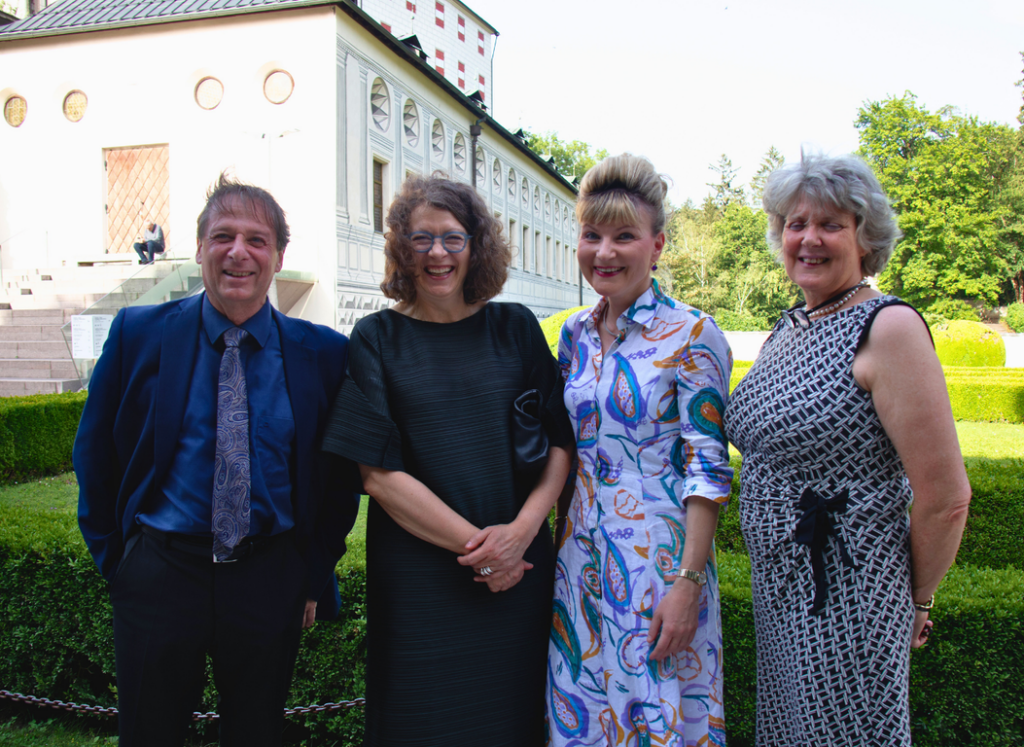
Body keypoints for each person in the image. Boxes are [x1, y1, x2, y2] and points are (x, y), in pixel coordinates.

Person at [74, 174, 358, 747]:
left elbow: (339, 476)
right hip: (160, 570)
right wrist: (120, 562)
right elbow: (95, 451)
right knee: (149, 733)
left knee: (255, 734)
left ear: (279, 256)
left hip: (268, 574)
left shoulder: (323, 353)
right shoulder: (139, 334)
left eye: (257, 240)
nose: (239, 252)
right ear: (200, 248)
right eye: (223, 236)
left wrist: (310, 572)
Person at [723, 153, 972, 746]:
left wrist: (914, 600)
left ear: (865, 238)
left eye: (831, 224)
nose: (808, 238)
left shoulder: (887, 328)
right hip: (782, 590)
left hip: (851, 594)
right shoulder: (791, 328)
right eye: (795, 223)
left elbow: (947, 499)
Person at [321, 174, 573, 746]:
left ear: (475, 244)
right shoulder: (375, 338)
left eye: (453, 238)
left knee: (507, 722)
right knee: (419, 721)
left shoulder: (515, 329)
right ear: (401, 249)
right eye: (421, 239)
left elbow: (561, 444)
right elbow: (377, 475)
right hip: (421, 583)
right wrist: (483, 552)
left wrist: (519, 538)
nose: (438, 253)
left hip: (517, 576)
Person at [546, 154, 734, 747]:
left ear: (656, 245)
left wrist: (688, 584)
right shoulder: (573, 334)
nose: (605, 252)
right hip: (579, 567)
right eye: (591, 235)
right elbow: (566, 452)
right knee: (579, 721)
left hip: (658, 572)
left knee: (658, 721)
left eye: (624, 236)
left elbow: (708, 470)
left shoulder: (694, 334)